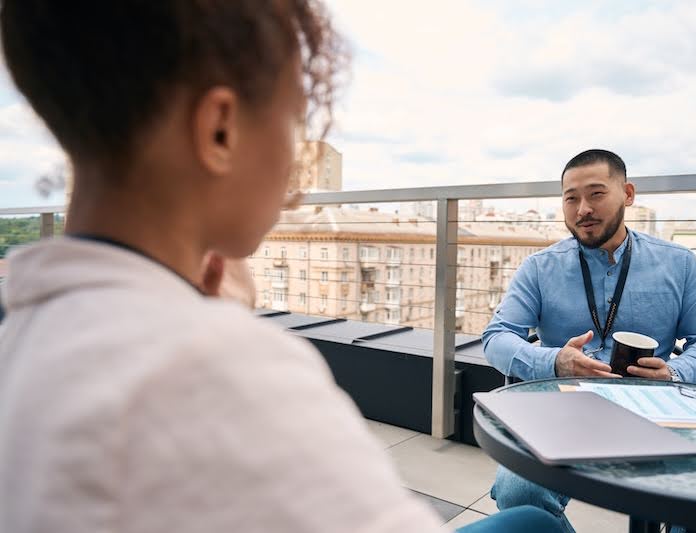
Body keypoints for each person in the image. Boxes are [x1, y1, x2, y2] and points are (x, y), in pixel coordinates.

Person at [0, 2, 562, 533]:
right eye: (293, 121)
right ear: (220, 129)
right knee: (534, 524)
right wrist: (221, 332)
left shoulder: (24, 331)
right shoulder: (221, 368)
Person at [482, 149, 696, 532]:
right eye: (571, 198)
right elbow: (495, 338)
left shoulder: (678, 263)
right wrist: (555, 362)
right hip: (565, 410)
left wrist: (673, 372)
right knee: (517, 491)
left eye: (596, 194)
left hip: (655, 408)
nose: (583, 208)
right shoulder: (539, 267)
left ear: (628, 194)